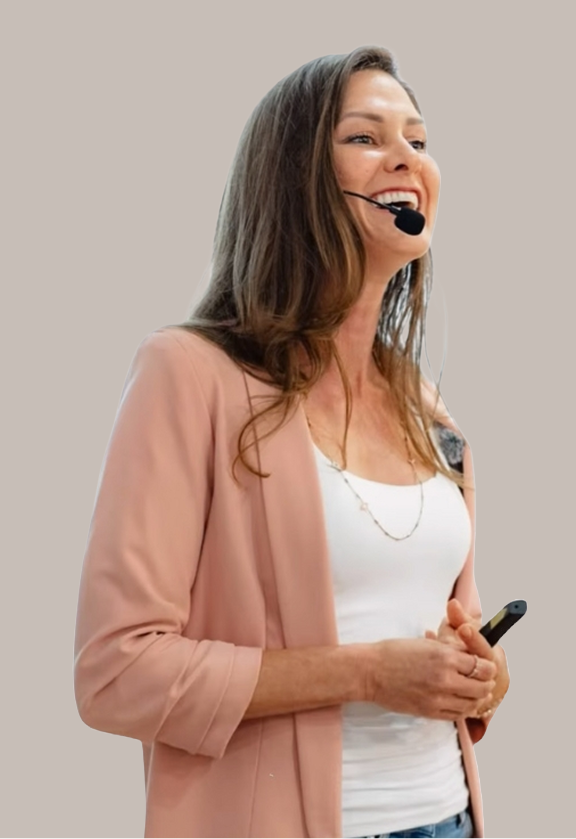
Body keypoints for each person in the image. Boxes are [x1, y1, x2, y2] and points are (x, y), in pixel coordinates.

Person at [74, 45, 510, 839]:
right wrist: (367, 672)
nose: (406, 157)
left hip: (449, 816)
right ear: (295, 177)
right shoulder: (189, 374)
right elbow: (115, 671)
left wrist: (480, 674)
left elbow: (453, 621)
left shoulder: (432, 412)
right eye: (365, 137)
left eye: (418, 139)